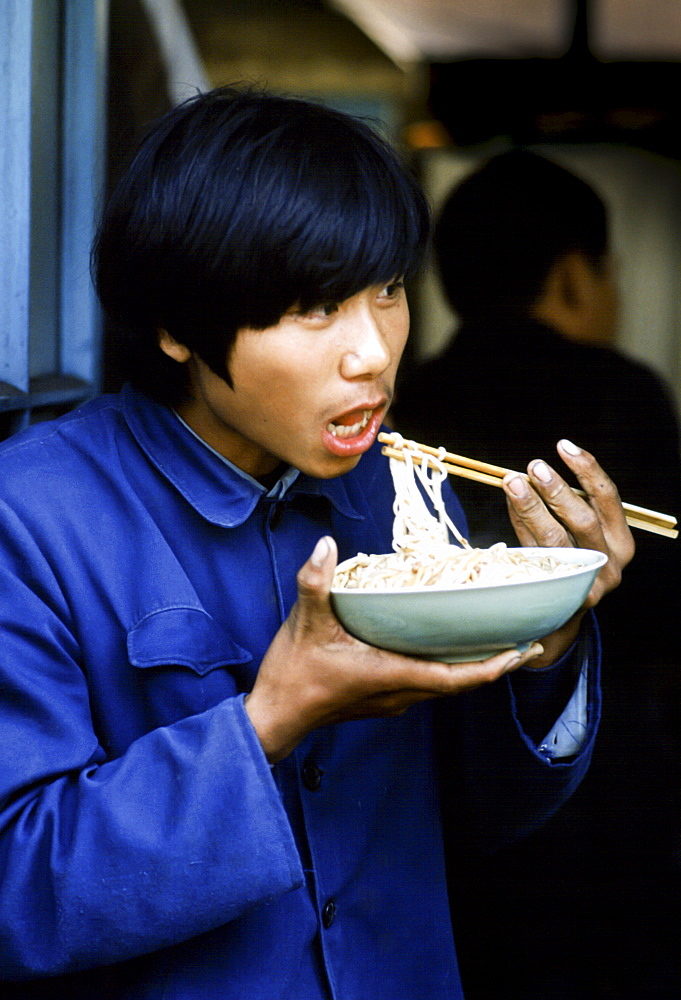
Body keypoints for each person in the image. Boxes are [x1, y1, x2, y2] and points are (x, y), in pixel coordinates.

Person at [0, 90, 632, 1000]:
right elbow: (20, 894)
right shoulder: (32, 516)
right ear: (178, 325)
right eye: (316, 307)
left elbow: (477, 816)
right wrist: (268, 722)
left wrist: (547, 632)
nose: (372, 352)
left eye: (386, 290)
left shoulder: (390, 490)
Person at [394, 149, 681, 998]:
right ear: (570, 277)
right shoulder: (619, 391)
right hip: (606, 777)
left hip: (435, 770)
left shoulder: (410, 403)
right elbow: (665, 606)